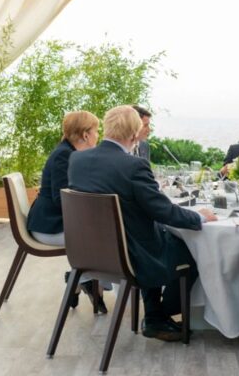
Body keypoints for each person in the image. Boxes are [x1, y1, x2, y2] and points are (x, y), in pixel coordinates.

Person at [68, 105, 217, 342]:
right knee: (191, 252)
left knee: (155, 236)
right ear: (135, 134)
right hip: (130, 256)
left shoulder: (77, 159)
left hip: (91, 252)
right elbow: (163, 211)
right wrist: (199, 216)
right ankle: (159, 315)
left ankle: (154, 315)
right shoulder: (134, 165)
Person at [26, 110, 106, 312]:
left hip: (53, 221)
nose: (98, 135)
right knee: (106, 238)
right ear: (85, 135)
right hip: (49, 226)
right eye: (96, 131)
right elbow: (62, 199)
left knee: (105, 233)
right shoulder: (65, 156)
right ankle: (83, 278)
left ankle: (80, 279)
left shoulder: (69, 152)